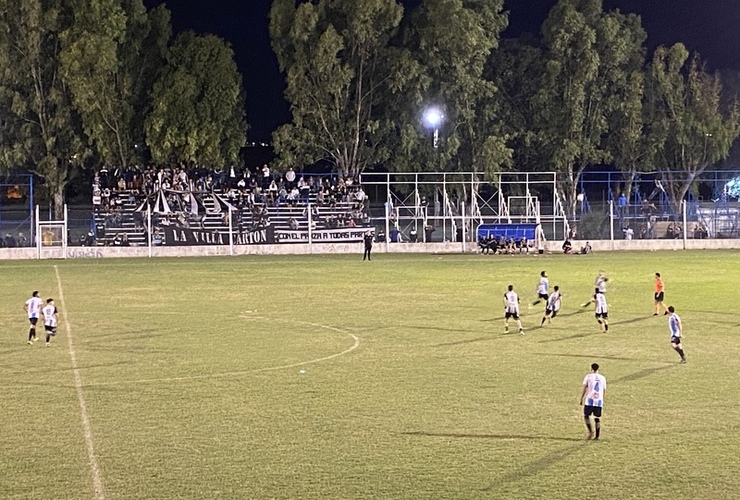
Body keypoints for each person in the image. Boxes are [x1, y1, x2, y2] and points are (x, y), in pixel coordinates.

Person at [580, 363, 607, 440]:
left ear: (591, 369)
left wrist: (581, 398)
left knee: (586, 416)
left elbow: (585, 388)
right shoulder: (603, 378)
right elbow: (604, 390)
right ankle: (597, 436)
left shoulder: (588, 377)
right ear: (598, 369)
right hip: (599, 401)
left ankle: (591, 431)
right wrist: (602, 399)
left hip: (590, 400)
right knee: (597, 418)